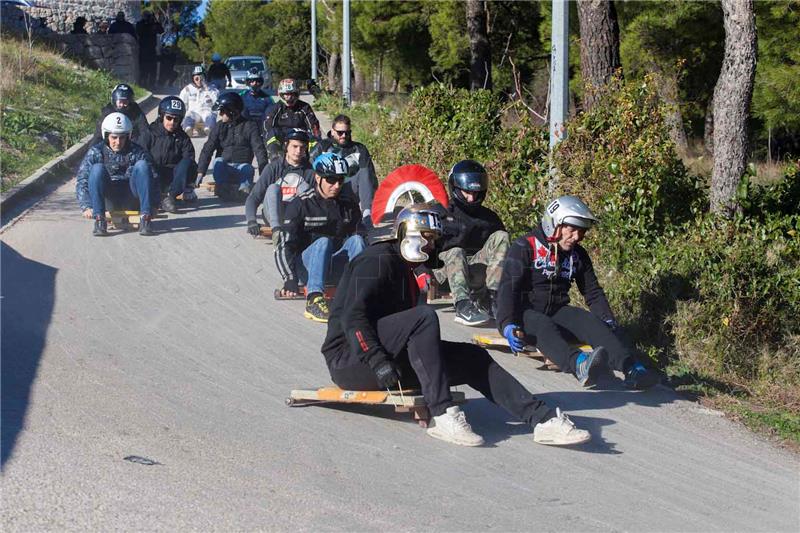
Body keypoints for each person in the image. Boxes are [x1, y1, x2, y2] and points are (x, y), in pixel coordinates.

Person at [320, 202, 591, 447]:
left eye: (434, 240)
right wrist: (377, 360)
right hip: (351, 360)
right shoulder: (375, 261)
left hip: (386, 357)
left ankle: (541, 419)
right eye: (427, 238)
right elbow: (352, 318)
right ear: (408, 233)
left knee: (472, 357)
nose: (431, 246)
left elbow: (409, 336)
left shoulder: (406, 269)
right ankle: (443, 414)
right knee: (423, 316)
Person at [496, 195, 660, 390]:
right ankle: (578, 364)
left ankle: (632, 368)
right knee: (543, 324)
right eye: (572, 230)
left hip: (557, 310)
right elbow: (507, 289)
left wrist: (608, 323)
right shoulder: (525, 246)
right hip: (523, 314)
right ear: (554, 224)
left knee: (591, 321)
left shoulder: (578, 254)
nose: (576, 237)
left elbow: (592, 292)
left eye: (581, 232)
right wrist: (506, 324)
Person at [275, 153, 365, 323]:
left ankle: (360, 294)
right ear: (318, 177)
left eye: (340, 180)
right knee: (323, 242)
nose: (336, 185)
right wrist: (289, 279)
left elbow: (363, 239)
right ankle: (314, 300)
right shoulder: (301, 205)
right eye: (331, 180)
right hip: (307, 267)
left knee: (358, 240)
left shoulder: (349, 205)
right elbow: (282, 245)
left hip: (336, 264)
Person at [431, 160, 509, 327]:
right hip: (442, 274)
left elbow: (503, 256)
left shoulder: (489, 218)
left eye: (476, 192)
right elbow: (422, 247)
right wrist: (422, 274)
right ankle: (462, 306)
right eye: (466, 192)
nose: (471, 197)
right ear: (455, 188)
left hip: (475, 271)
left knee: (502, 236)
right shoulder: (439, 212)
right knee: (456, 251)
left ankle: (492, 299)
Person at [75, 112, 158, 236]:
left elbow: (154, 177)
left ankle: (145, 218)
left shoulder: (138, 151)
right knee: (97, 168)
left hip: (132, 196)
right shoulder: (96, 151)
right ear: (106, 136)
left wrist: (155, 204)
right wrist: (86, 205)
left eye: (122, 137)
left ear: (128, 136)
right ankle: (99, 220)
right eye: (114, 137)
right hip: (108, 198)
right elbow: (82, 179)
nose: (118, 142)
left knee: (142, 166)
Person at [309, 114, 378, 226]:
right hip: (327, 186)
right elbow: (310, 170)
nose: (344, 136)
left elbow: (371, 179)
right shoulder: (322, 147)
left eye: (347, 132)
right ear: (332, 131)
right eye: (340, 132)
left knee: (365, 172)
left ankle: (367, 214)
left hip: (349, 187)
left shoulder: (359, 149)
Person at [196, 92, 267, 199]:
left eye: (222, 111)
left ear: (233, 111)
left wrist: (264, 173)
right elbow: (208, 148)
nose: (220, 114)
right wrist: (200, 172)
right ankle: (224, 188)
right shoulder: (219, 126)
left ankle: (243, 190)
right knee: (218, 162)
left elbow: (259, 149)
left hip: (242, 168)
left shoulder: (250, 126)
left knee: (249, 169)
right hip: (224, 169)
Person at [245, 128, 315, 235]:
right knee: (273, 188)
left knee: (305, 188)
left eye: (302, 147)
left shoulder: (310, 171)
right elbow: (254, 197)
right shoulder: (273, 168)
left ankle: (297, 227)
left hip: (296, 216)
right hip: (273, 215)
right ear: (286, 146)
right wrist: (251, 221)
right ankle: (277, 232)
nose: (298, 151)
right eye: (295, 146)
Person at [138, 96, 197, 213]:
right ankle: (156, 198)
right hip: (154, 175)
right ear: (161, 116)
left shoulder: (182, 137)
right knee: (143, 162)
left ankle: (171, 196)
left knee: (188, 163)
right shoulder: (149, 133)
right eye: (169, 118)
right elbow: (140, 153)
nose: (172, 122)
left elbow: (189, 157)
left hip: (173, 179)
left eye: (176, 119)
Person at [263, 78, 321, 161]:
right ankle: (276, 162)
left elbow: (314, 125)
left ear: (297, 94)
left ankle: (312, 164)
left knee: (315, 141)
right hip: (282, 141)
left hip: (301, 139)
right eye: (286, 94)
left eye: (292, 94)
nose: (289, 97)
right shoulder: (274, 108)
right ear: (280, 94)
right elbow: (267, 128)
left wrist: (315, 141)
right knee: (271, 133)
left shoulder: (305, 107)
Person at [179, 65, 218, 137]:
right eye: (196, 78)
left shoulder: (212, 88)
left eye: (201, 77)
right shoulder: (187, 89)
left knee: (210, 115)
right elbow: (182, 105)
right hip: (194, 113)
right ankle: (188, 129)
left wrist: (207, 89)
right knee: (188, 114)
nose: (199, 80)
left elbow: (216, 101)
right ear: (193, 78)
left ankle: (209, 129)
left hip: (206, 112)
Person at [135, 11, 163, 87]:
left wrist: (155, 21)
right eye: (146, 16)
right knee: (143, 68)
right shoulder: (140, 24)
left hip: (152, 49)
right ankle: (143, 84)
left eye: (148, 16)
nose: (148, 17)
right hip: (143, 49)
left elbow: (161, 30)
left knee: (153, 68)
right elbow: (138, 31)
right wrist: (145, 22)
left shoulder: (153, 24)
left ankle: (151, 85)